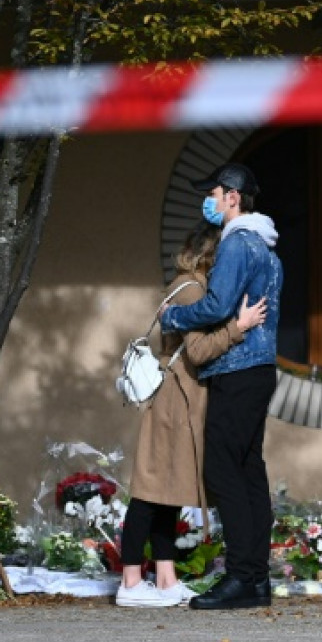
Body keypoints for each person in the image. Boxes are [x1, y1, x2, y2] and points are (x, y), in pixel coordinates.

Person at [116, 225, 267, 608]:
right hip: (176, 400)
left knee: (168, 490)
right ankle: (131, 580)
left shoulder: (185, 284)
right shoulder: (196, 289)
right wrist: (239, 328)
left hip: (177, 398)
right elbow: (197, 351)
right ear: (212, 257)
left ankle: (165, 579)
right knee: (150, 492)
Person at [160, 162, 283, 611]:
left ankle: (239, 579)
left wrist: (172, 316)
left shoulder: (238, 245)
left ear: (232, 196)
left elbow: (215, 306)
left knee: (222, 471)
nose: (207, 202)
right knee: (249, 473)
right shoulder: (268, 249)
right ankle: (255, 580)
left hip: (237, 369)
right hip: (260, 369)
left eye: (211, 193)